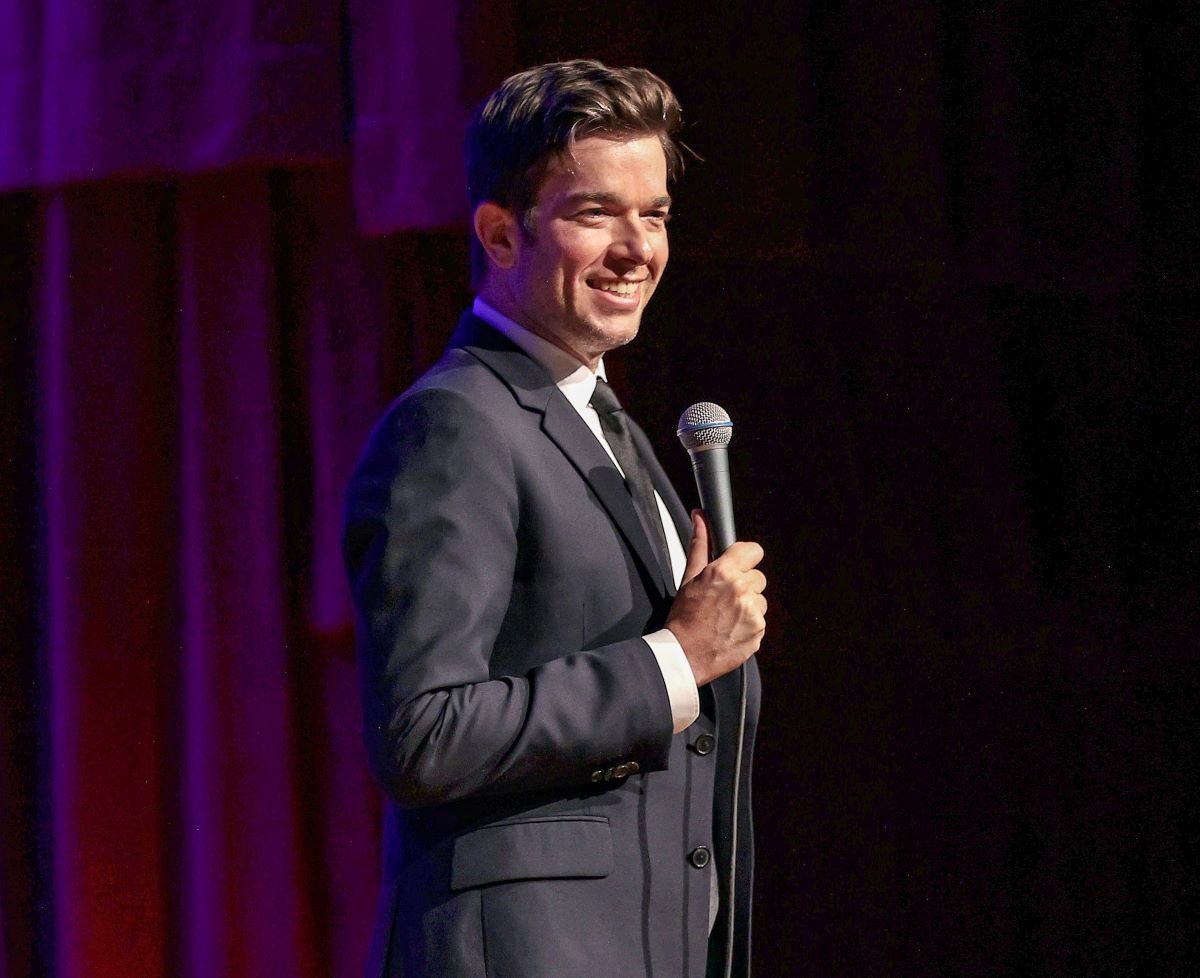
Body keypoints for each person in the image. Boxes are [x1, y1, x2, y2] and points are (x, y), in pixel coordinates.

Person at [343, 59, 767, 978]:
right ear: (500, 233)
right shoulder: (455, 424)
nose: (637, 247)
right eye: (593, 213)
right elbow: (423, 735)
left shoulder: (605, 425)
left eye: (652, 214)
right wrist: (678, 658)